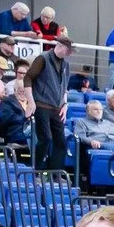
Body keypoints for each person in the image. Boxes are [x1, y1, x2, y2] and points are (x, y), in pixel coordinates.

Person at [25, 36, 71, 173]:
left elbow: (65, 87)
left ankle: (55, 173)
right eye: (68, 50)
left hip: (57, 107)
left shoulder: (65, 64)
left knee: (61, 142)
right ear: (60, 46)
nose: (69, 54)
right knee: (45, 138)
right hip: (42, 105)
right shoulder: (43, 58)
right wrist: (31, 101)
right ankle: (35, 170)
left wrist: (65, 104)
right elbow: (28, 78)